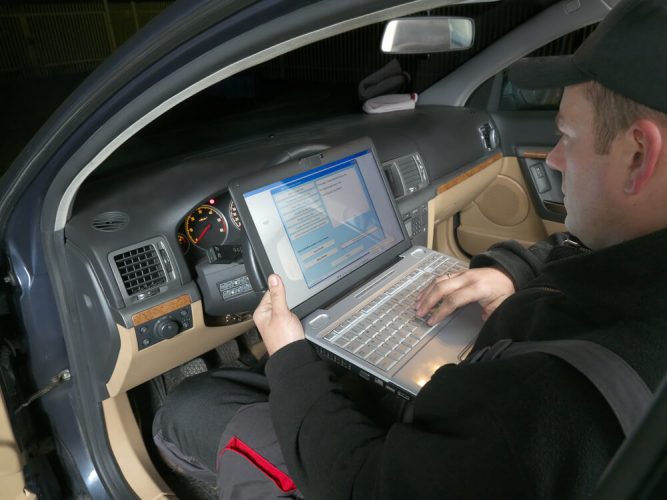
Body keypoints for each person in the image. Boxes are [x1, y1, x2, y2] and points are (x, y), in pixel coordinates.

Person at [153, 0, 667, 497]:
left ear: (638, 155)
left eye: (567, 136)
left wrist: (288, 354)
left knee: (191, 407)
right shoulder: (635, 282)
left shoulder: (542, 402)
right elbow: (586, 267)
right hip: (468, 406)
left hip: (388, 469)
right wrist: (516, 272)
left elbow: (359, 484)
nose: (554, 159)